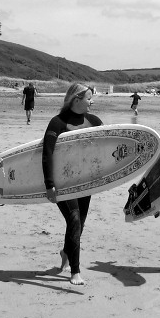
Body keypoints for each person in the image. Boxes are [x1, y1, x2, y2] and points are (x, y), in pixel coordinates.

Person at [42, 83, 103, 285]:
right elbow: (47, 154)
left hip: (85, 182)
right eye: (89, 98)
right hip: (63, 183)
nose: (92, 101)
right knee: (75, 220)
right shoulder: (57, 123)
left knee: (78, 224)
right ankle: (75, 272)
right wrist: (49, 184)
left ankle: (66, 252)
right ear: (77, 100)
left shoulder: (95, 121)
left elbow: (102, 151)